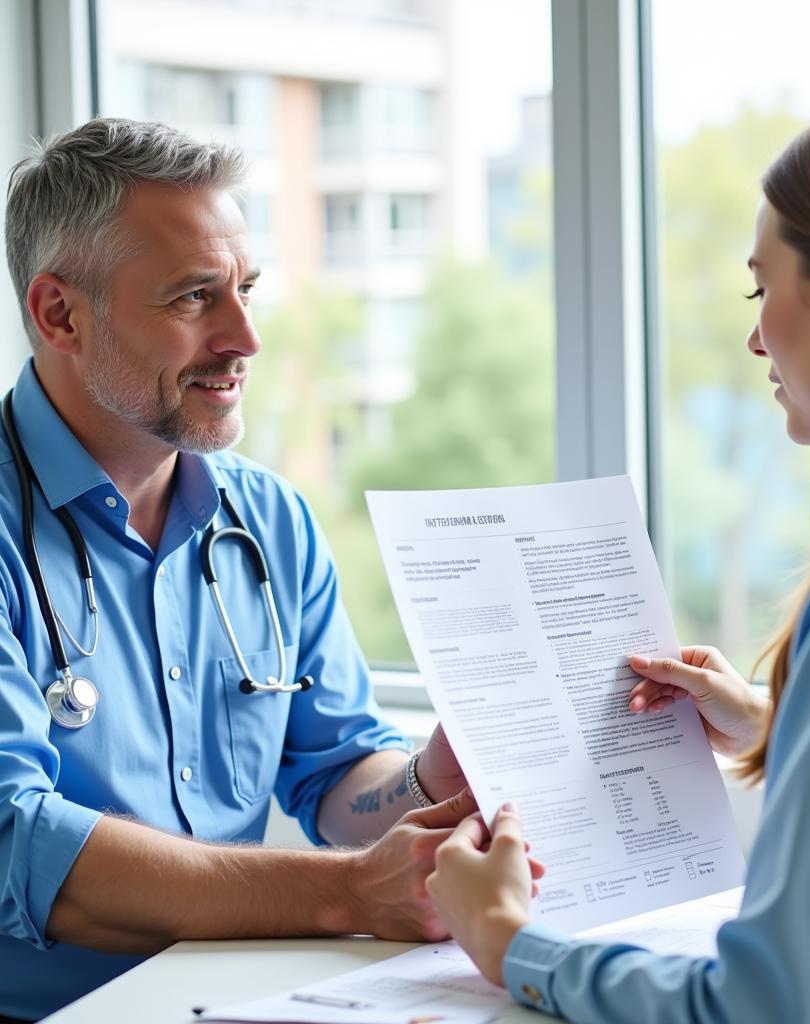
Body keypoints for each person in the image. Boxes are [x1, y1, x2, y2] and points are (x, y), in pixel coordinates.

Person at [425, 85, 810, 1023]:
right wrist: (779, 724)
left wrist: (511, 943)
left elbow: (767, 1003)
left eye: (762, 287)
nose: (755, 335)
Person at [0, 118, 474, 1022]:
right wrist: (347, 893)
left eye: (247, 290)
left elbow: (336, 780)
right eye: (193, 299)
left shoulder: (271, 521)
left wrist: (427, 784)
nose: (246, 337)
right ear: (59, 313)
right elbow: (20, 843)